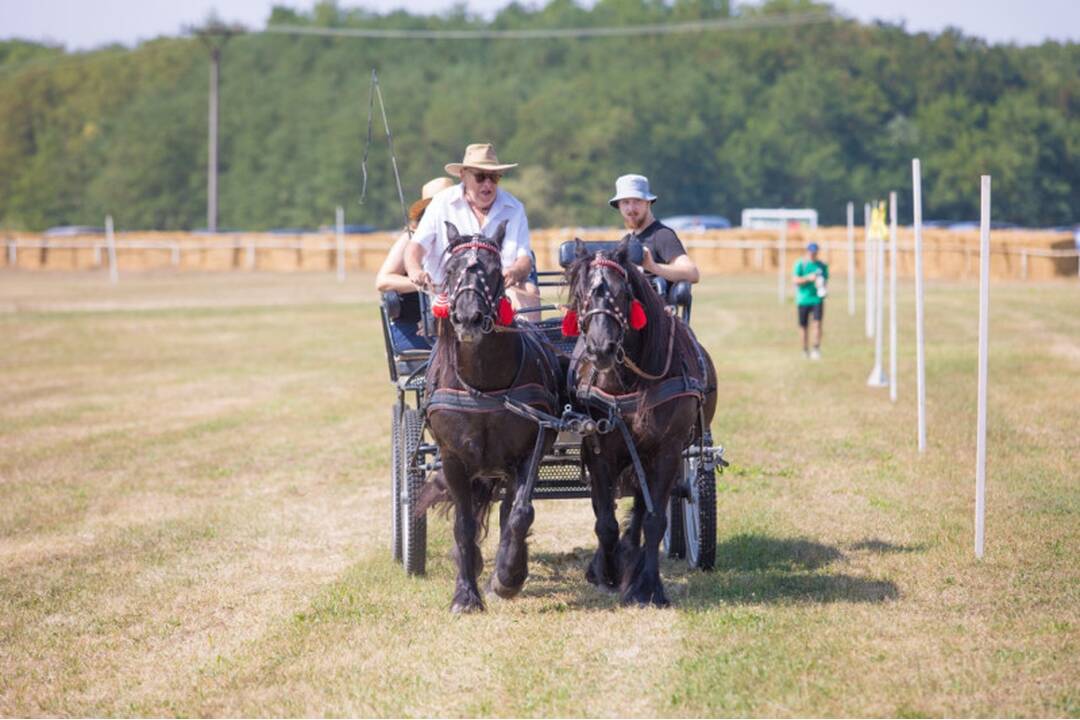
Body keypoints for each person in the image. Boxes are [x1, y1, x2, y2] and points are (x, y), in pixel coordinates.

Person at [404, 143, 540, 320]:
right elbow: (416, 247)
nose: (488, 183)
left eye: (494, 177)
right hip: (451, 293)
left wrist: (514, 271)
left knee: (529, 291)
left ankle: (531, 346)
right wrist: (415, 270)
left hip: (500, 294)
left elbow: (524, 258)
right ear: (463, 176)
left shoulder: (515, 208)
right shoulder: (440, 203)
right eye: (481, 177)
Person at [376, 176, 455, 350]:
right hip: (414, 327)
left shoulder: (463, 235)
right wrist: (424, 283)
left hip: (455, 325)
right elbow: (383, 280)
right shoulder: (411, 237)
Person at [609, 173, 700, 285]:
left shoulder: (661, 235)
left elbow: (692, 274)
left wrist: (653, 267)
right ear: (619, 206)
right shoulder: (629, 241)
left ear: (648, 202)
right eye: (625, 202)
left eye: (637, 201)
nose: (631, 208)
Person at [793, 240, 828, 359]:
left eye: (815, 252)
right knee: (803, 327)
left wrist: (823, 288)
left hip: (817, 299)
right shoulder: (800, 264)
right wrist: (808, 278)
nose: (813, 254)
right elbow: (795, 280)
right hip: (803, 300)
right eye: (811, 252)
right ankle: (804, 349)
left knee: (817, 324)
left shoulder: (822, 266)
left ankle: (816, 348)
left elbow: (825, 281)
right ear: (807, 252)